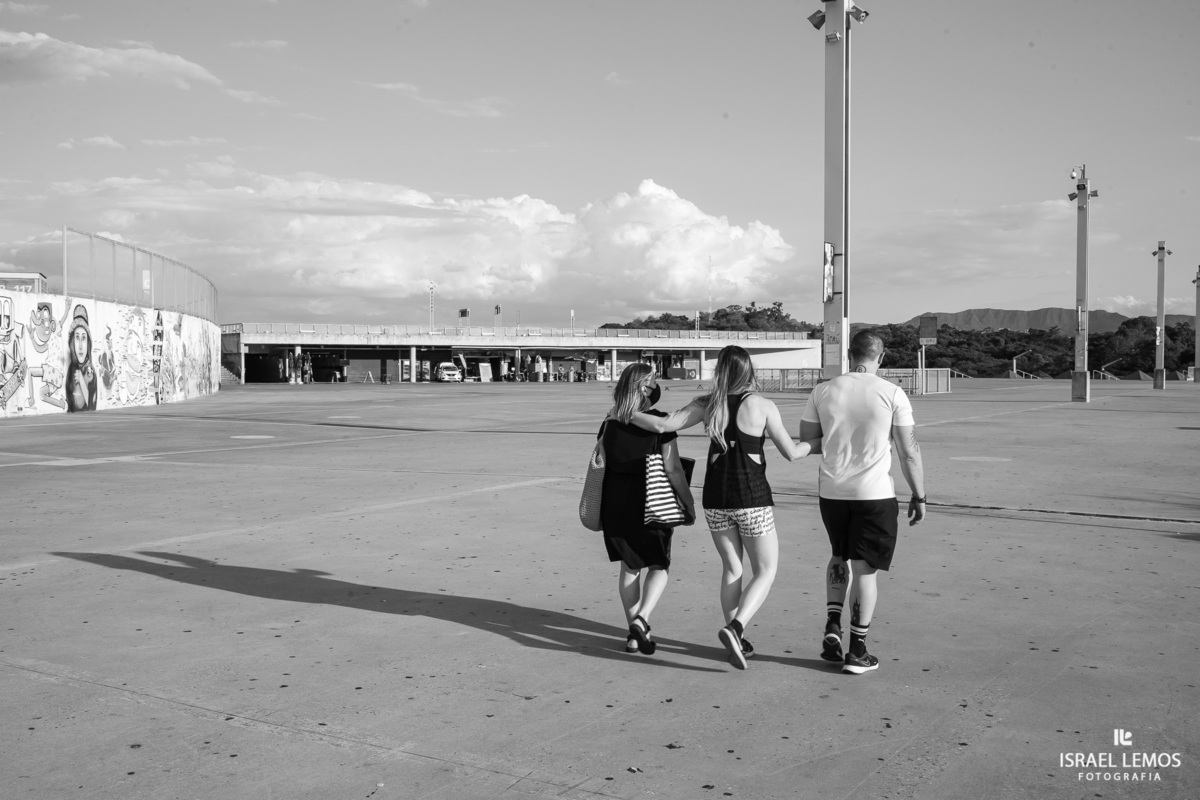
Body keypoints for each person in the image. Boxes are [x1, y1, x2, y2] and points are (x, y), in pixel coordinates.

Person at [632, 345, 820, 669]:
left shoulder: (708, 404)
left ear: (720, 370)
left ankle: (739, 642)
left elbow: (665, 425)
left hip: (716, 499)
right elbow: (792, 452)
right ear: (748, 370)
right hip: (752, 498)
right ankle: (736, 627)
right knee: (766, 570)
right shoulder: (761, 405)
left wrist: (626, 412)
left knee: (732, 569)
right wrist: (818, 443)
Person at [799, 330, 926, 675]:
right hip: (874, 496)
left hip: (832, 493)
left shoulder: (822, 390)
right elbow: (909, 452)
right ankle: (857, 650)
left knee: (838, 555)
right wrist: (919, 494)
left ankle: (832, 623)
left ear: (850, 354)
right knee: (865, 572)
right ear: (880, 358)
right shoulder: (892, 393)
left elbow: (807, 439)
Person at [599, 363, 695, 655]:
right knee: (658, 564)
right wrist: (687, 502)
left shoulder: (609, 421)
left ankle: (633, 633)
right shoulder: (659, 422)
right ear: (643, 388)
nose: (657, 386)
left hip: (614, 502)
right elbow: (673, 468)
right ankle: (642, 618)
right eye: (653, 381)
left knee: (630, 567)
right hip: (651, 499)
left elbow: (602, 459)